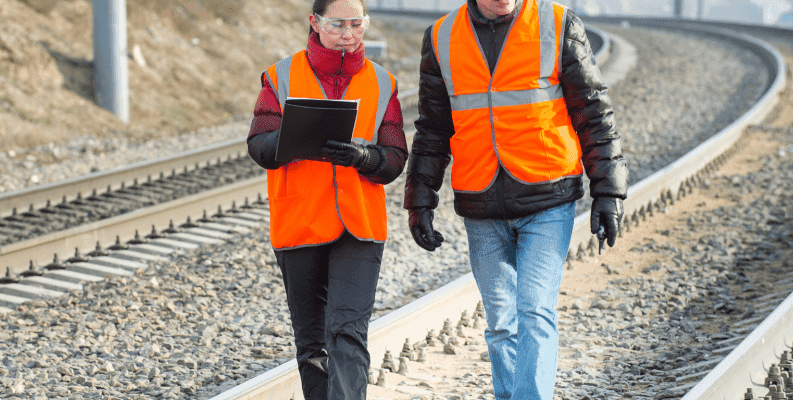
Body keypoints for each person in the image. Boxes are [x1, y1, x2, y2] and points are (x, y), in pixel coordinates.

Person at [403, 0, 627, 399]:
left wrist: (607, 191)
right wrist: (420, 198)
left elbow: (594, 113)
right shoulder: (441, 37)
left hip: (548, 197)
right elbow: (433, 128)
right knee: (502, 323)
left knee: (535, 309)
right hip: (481, 202)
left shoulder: (557, 24)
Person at [247, 0, 408, 398]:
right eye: (338, 25)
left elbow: (394, 159)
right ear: (314, 23)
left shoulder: (382, 82)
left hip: (360, 228)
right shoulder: (279, 78)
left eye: (357, 24)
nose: (349, 34)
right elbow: (258, 146)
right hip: (299, 224)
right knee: (312, 343)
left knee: (347, 332)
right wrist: (298, 138)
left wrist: (364, 156)